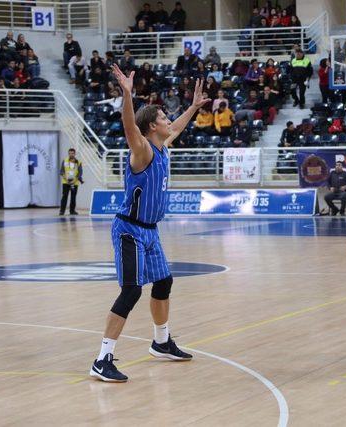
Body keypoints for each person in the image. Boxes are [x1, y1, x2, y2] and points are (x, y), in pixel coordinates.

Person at [90, 65, 209, 382]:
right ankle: (102, 359)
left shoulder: (162, 146)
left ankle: (161, 342)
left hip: (150, 231)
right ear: (151, 127)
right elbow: (130, 126)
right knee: (130, 292)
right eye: (163, 118)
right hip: (129, 229)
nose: (169, 121)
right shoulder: (141, 150)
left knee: (164, 282)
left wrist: (194, 108)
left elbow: (179, 126)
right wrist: (127, 95)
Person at [59, 148, 83, 216]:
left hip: (74, 182)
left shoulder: (78, 162)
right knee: (64, 196)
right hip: (65, 182)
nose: (71, 154)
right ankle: (62, 211)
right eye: (69, 153)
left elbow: (80, 173)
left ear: (75, 154)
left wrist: (75, 180)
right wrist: (66, 178)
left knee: (73, 197)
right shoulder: (64, 160)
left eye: (72, 153)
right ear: (68, 153)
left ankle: (72, 211)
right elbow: (61, 171)